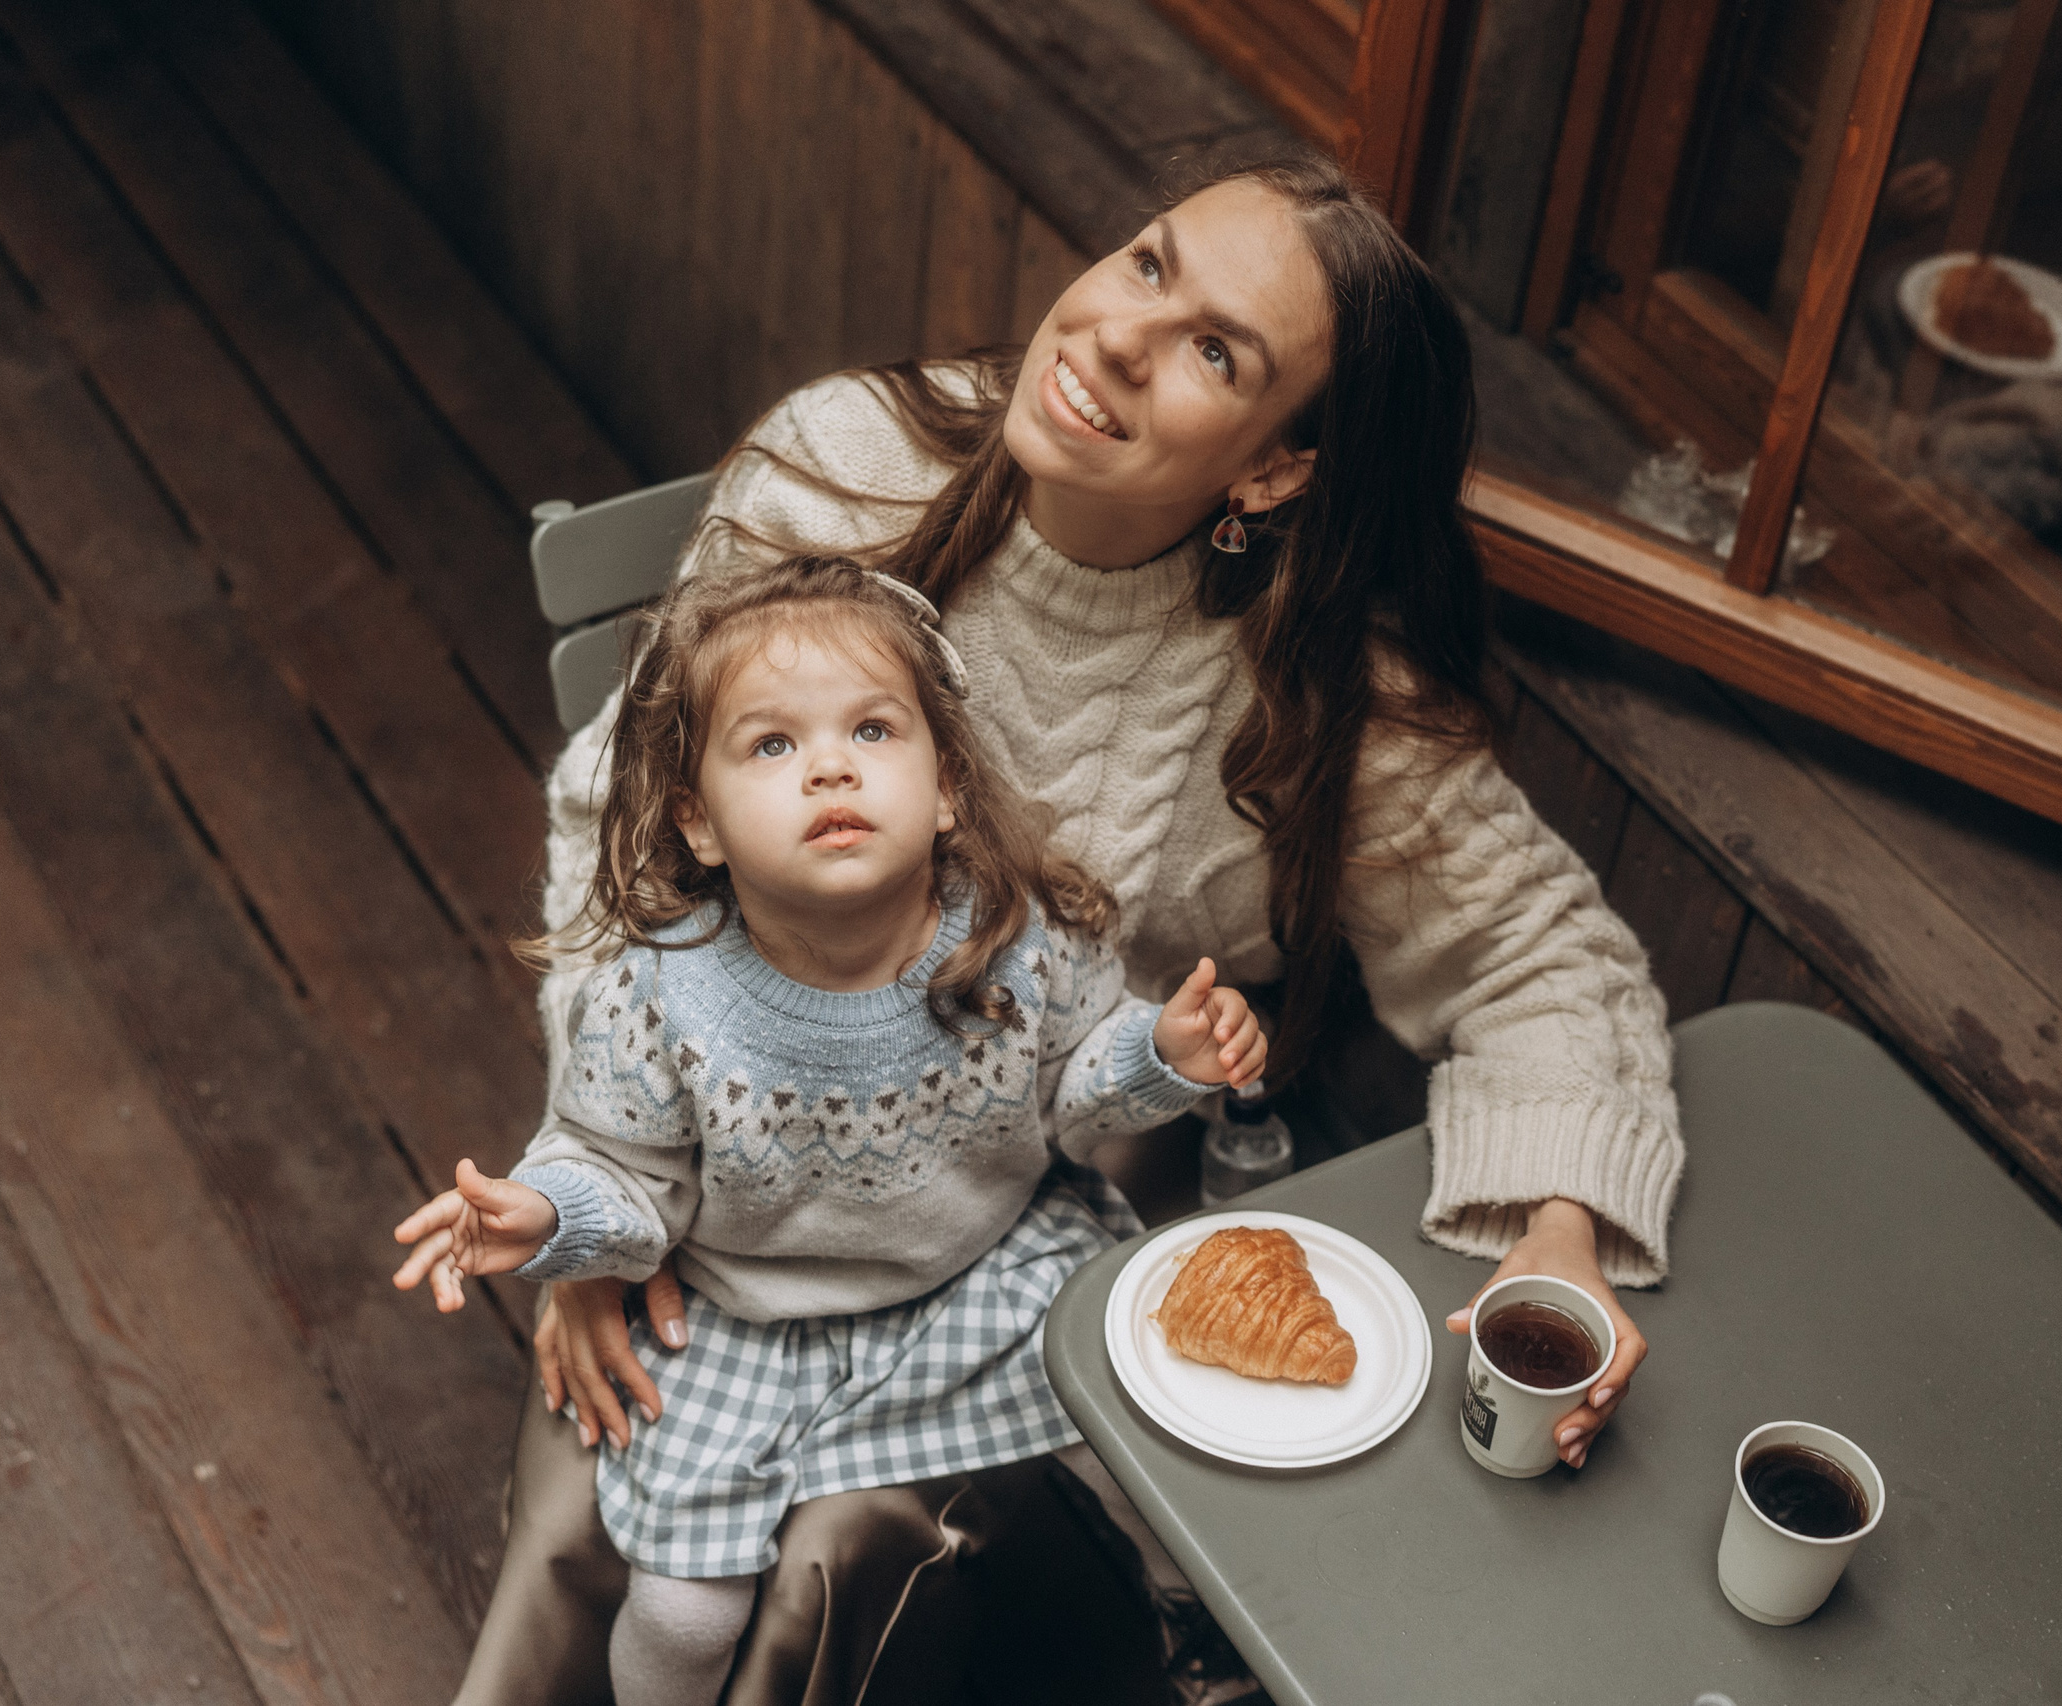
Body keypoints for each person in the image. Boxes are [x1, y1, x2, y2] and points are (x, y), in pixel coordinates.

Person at [461, 151, 1686, 1706]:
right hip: (720, 1143)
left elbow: (1538, 949)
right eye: (1149, 263)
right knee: (590, 1512)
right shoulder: (847, 465)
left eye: (1215, 350)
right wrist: (597, 1198)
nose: (1116, 333)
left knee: (836, 1549)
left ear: (1274, 470)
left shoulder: (1316, 695)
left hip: (1022, 1189)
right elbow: (617, 820)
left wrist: (1560, 1234)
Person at [397, 558, 1266, 1706]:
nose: (830, 765)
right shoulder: (657, 996)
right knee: (681, 1610)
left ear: (946, 787)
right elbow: (627, 1175)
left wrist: (1162, 1053)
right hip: (746, 1313)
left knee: (1136, 1446)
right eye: (771, 743)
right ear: (698, 821)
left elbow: (1076, 1094)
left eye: (872, 728)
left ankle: (1204, 1633)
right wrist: (547, 1211)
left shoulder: (1019, 938)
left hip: (990, 1262)